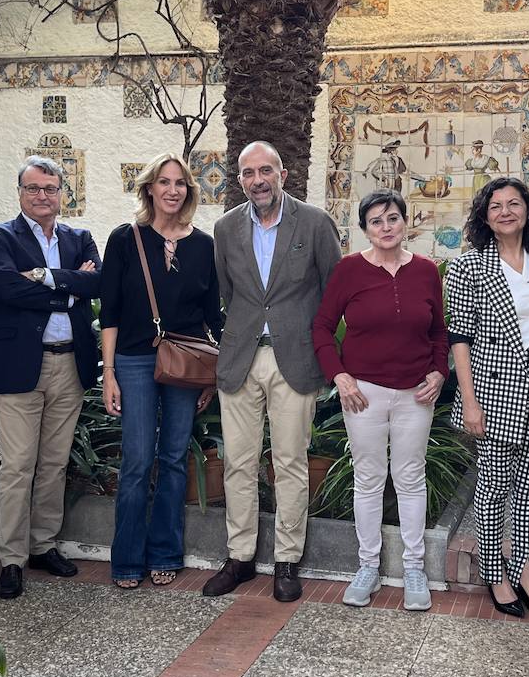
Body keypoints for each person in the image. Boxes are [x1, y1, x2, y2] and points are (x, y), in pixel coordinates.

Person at [203, 141, 341, 603]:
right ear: (239, 179)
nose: (257, 180)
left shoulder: (316, 223)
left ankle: (286, 559)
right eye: (248, 173)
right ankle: (240, 557)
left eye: (266, 171)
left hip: (295, 360)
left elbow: (332, 293)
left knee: (290, 463)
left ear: (283, 174)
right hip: (241, 357)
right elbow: (226, 293)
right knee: (238, 463)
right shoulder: (225, 228)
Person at [312, 190, 448, 611]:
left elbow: (440, 332)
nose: (386, 227)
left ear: (405, 222)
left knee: (410, 478)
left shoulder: (426, 271)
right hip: (363, 395)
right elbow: (321, 328)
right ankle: (367, 566)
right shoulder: (349, 270)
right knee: (368, 478)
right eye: (376, 221)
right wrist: (340, 376)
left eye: (392, 218)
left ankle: (413, 570)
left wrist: (439, 372)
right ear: (365, 229)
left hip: (415, 393)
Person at [0, 156, 101, 599]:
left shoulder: (79, 237)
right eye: (33, 188)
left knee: (54, 463)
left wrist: (48, 278)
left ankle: (43, 544)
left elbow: (98, 285)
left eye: (50, 188)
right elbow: (7, 290)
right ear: (20, 193)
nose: (43, 196)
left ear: (62, 192)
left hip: (69, 364)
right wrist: (69, 290)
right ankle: (11, 559)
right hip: (19, 366)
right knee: (16, 466)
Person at [100, 153, 221, 589]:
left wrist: (211, 374)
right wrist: (108, 373)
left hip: (186, 363)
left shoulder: (204, 245)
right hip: (133, 360)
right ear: (149, 188)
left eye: (181, 183)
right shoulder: (125, 238)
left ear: (190, 190)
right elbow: (109, 312)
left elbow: (213, 317)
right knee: (136, 460)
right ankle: (127, 559)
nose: (173, 190)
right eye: (164, 182)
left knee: (172, 459)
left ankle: (165, 552)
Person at [446, 176, 529, 618]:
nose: (506, 211)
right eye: (496, 206)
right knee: (493, 488)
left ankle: (525, 570)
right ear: (485, 216)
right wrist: (469, 402)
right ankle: (495, 574)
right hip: (494, 389)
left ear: (527, 211)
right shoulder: (470, 266)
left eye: (514, 204)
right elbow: (460, 338)